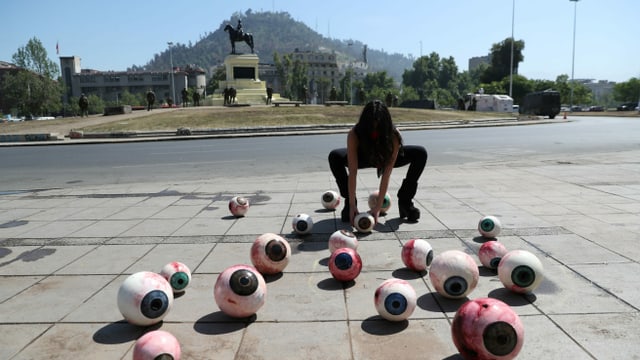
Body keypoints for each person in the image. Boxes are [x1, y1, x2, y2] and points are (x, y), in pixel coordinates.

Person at [328, 100, 427, 225]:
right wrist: (352, 204)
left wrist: (378, 208)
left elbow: (387, 173)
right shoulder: (355, 134)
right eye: (371, 126)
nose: (375, 129)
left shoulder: (393, 134)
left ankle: (405, 201)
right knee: (335, 156)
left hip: (384, 157)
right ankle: (349, 202)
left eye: (378, 126)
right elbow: (352, 171)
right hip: (364, 157)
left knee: (420, 153)